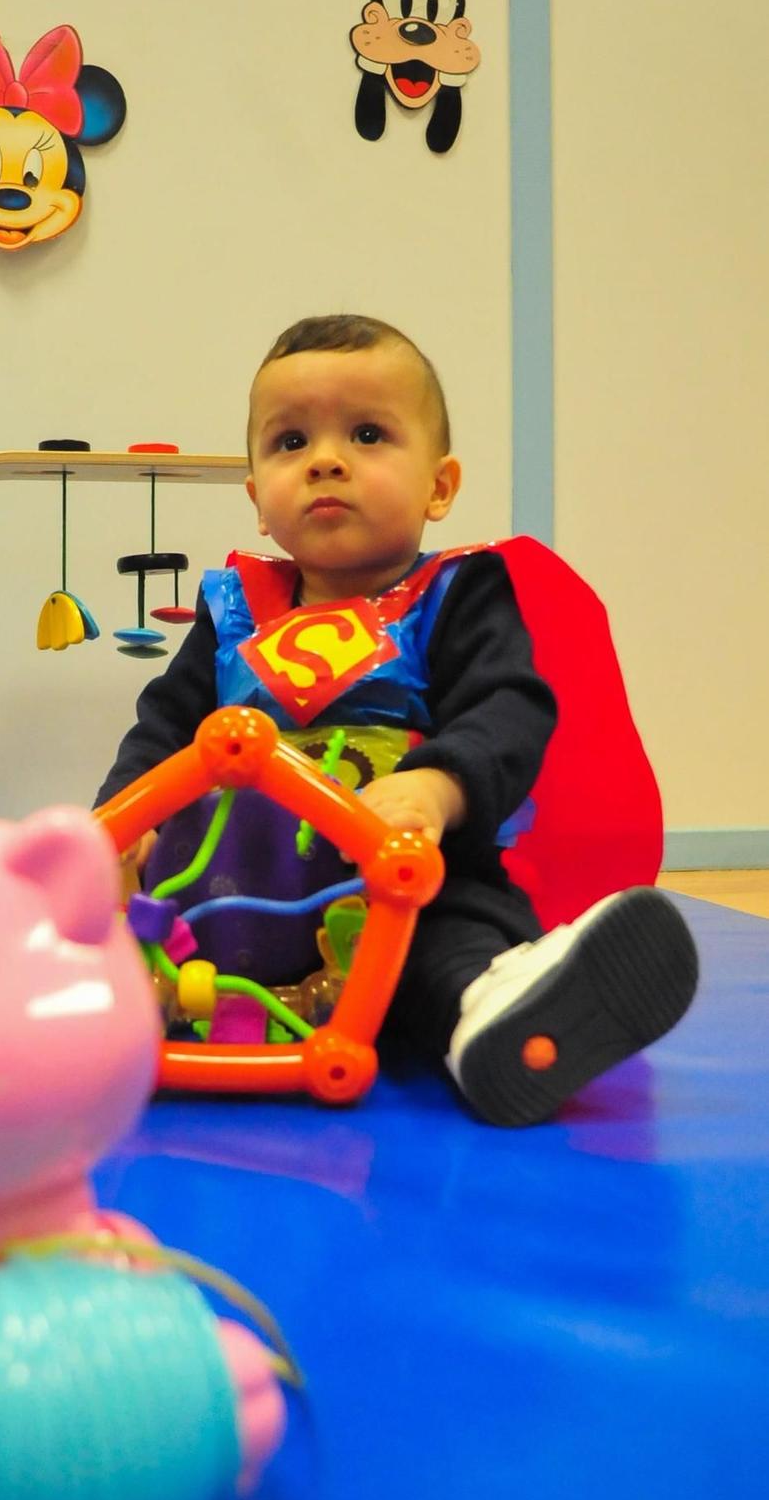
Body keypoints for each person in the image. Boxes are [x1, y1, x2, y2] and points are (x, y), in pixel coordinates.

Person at [94, 314, 698, 1127]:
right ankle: (63, 1017)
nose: (326, 460)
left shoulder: (456, 596)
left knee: (450, 939)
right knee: (118, 929)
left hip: (400, 888)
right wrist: (116, 821)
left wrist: (436, 788)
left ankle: (498, 1011)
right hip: (221, 896)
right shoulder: (230, 609)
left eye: (368, 433)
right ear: (256, 502)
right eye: (289, 442)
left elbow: (507, 709)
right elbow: (162, 727)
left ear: (439, 486)